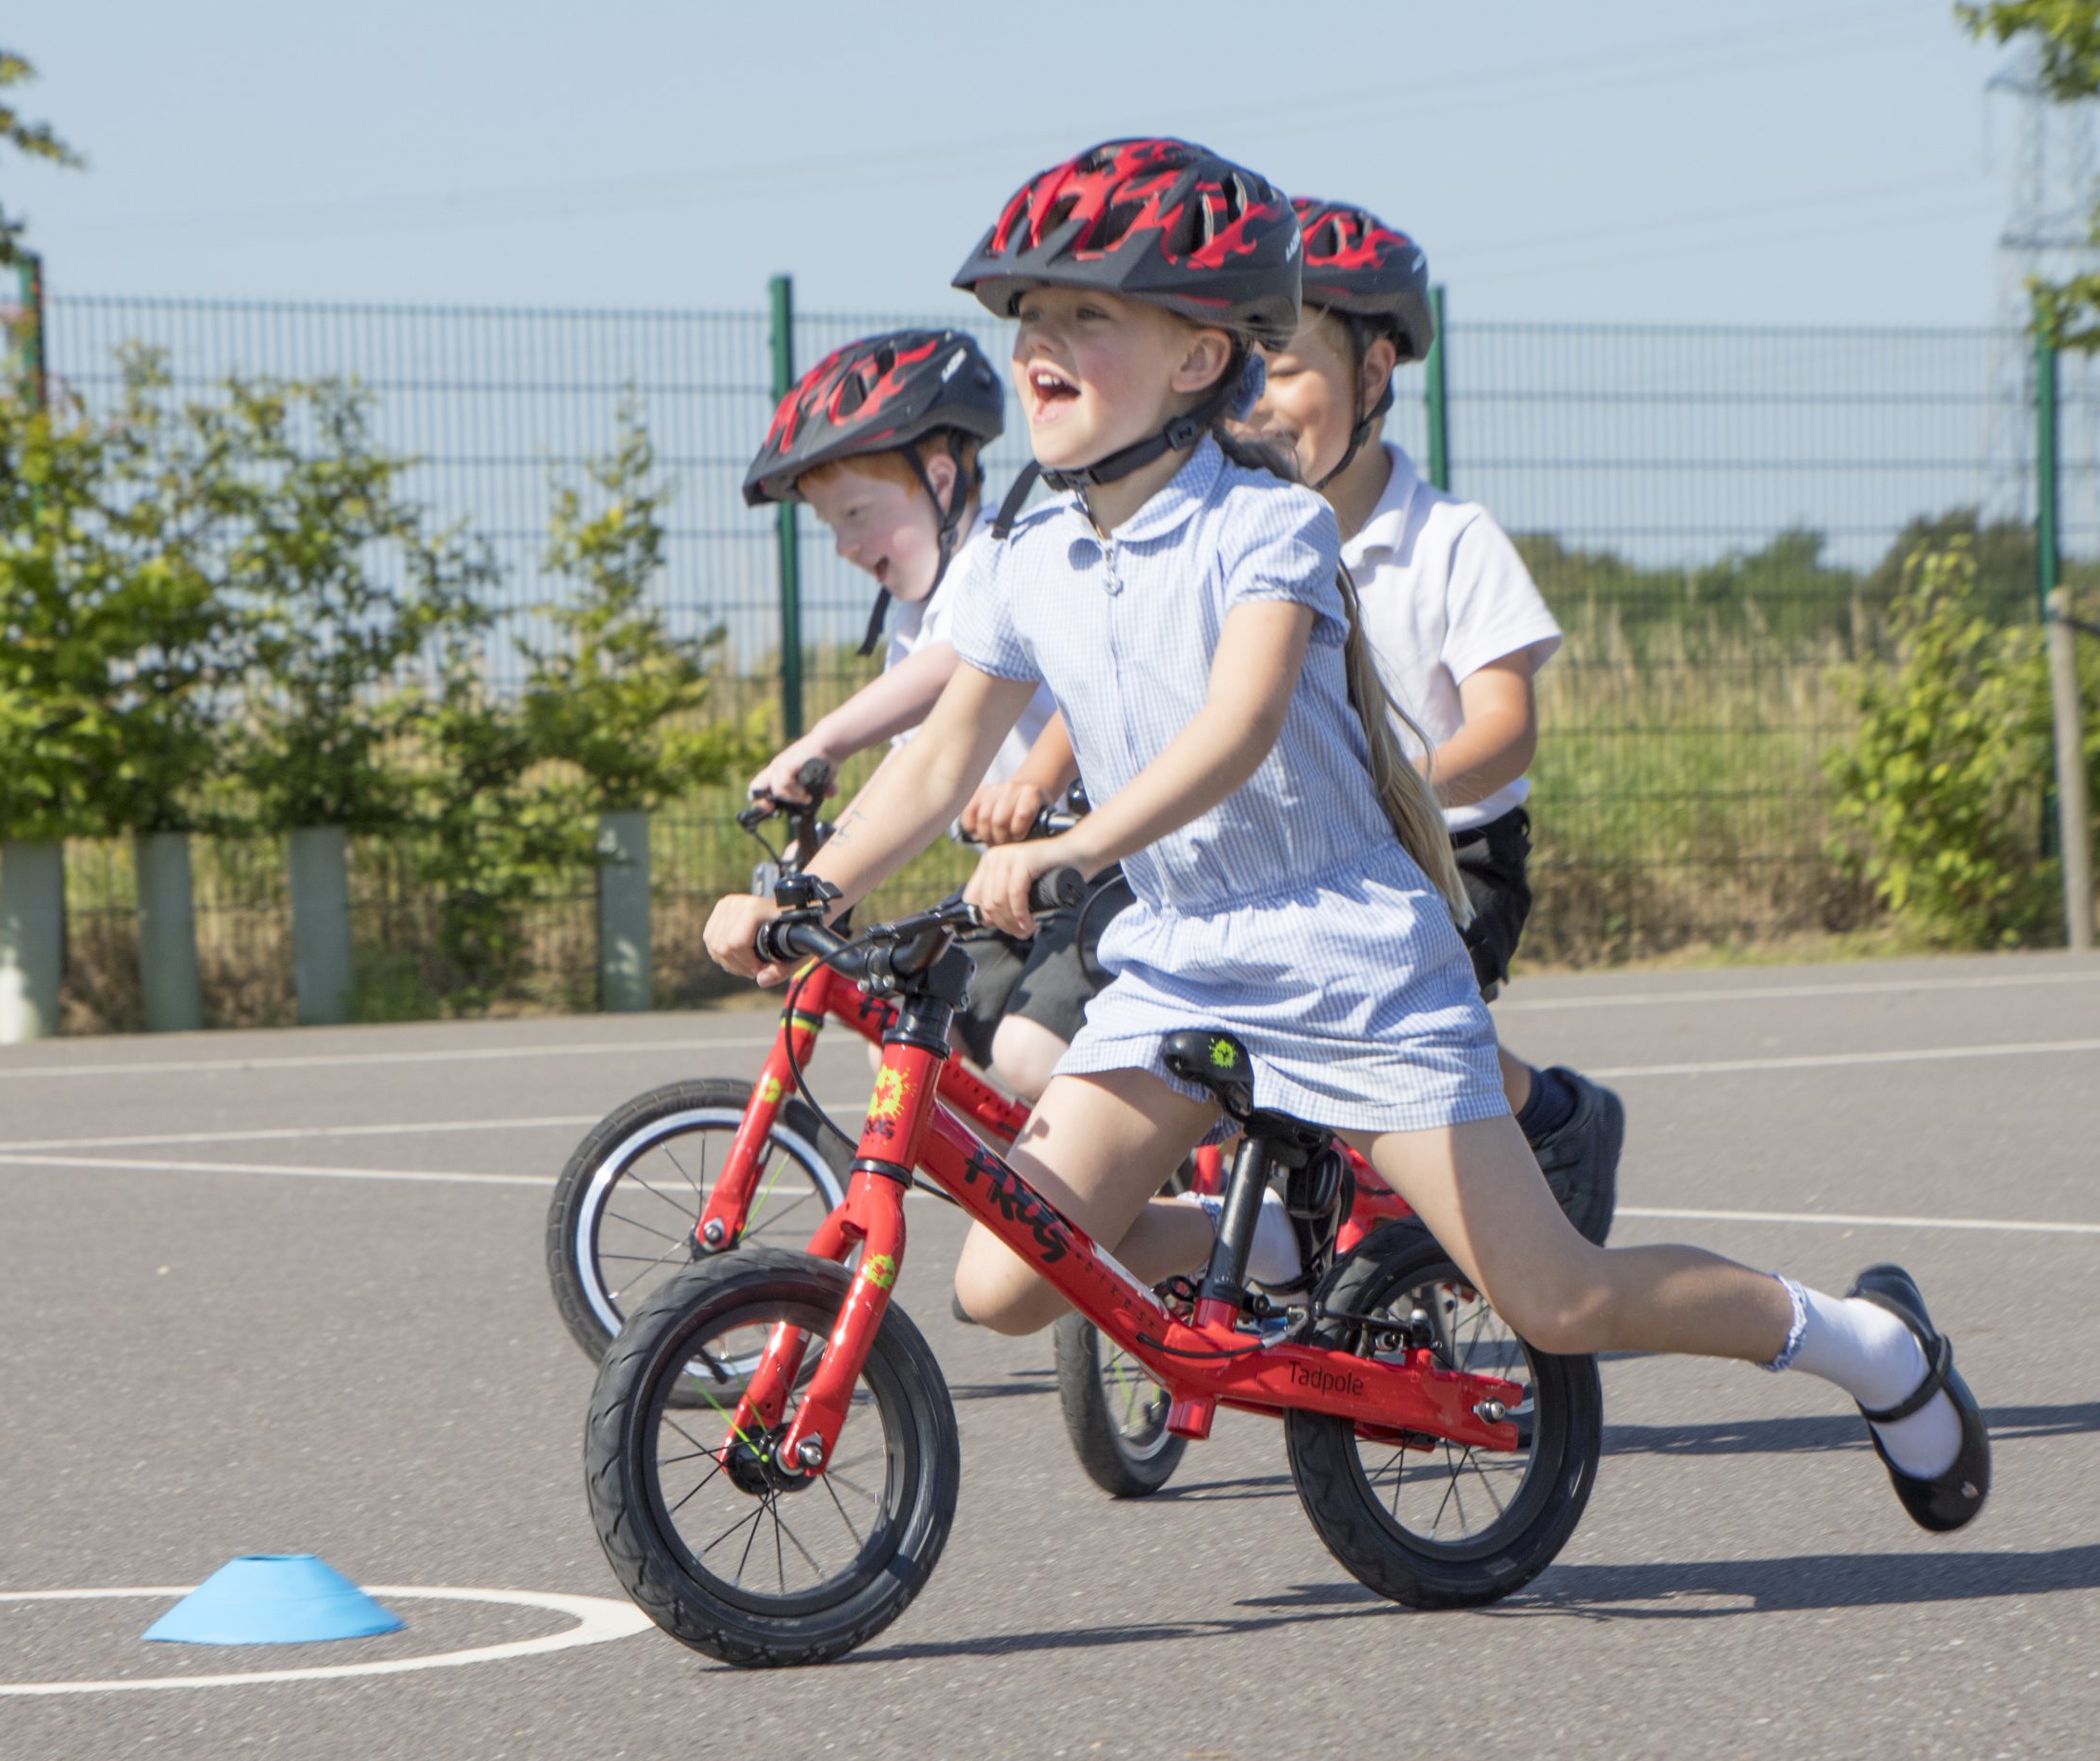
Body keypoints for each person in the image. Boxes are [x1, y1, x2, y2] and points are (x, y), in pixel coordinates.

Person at [705, 138, 1987, 1534]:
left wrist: (1075, 851)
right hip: (1186, 957)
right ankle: (1278, 1232)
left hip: (1350, 951)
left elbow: (1236, 730)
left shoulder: (1266, 527)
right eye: (1028, 319)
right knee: (1004, 1278)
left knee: (1553, 1296)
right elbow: (940, 753)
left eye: (1087, 315)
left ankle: (1873, 1346)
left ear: (1201, 358)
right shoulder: (1029, 558)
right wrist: (799, 892)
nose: (1039, 345)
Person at [1236, 196, 1623, 1242]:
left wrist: (1397, 784)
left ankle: (1552, 1116)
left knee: (1377, 1008)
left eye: (1281, 368)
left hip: (1451, 855)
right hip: (1305, 859)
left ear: (1372, 377)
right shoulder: (1236, 551)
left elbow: (1506, 727)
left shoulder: (1450, 539)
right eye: (1236, 370)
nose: (1254, 403)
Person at [740, 329, 1085, 1098]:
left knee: (1031, 1056)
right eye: (832, 526)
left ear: (938, 477)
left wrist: (824, 738)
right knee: (905, 1036)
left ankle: (1144, 1198)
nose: (844, 544)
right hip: (1011, 885)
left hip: (1093, 870)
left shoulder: (999, 556)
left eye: (857, 512)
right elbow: (918, 761)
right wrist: (822, 870)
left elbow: (955, 668)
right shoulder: (913, 616)